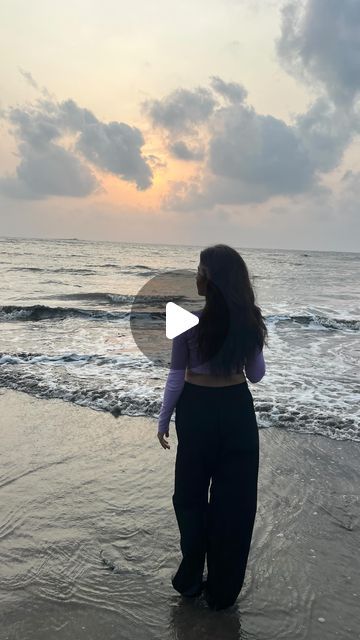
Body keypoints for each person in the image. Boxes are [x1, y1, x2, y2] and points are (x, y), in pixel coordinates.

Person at [157, 244, 268, 611]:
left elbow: (175, 380)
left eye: (200, 270)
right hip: (237, 413)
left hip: (197, 411)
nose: (196, 275)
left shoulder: (186, 322)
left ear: (212, 280)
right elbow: (256, 376)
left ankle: (190, 578)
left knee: (188, 497)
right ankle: (222, 592)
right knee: (235, 505)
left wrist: (163, 420)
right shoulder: (248, 321)